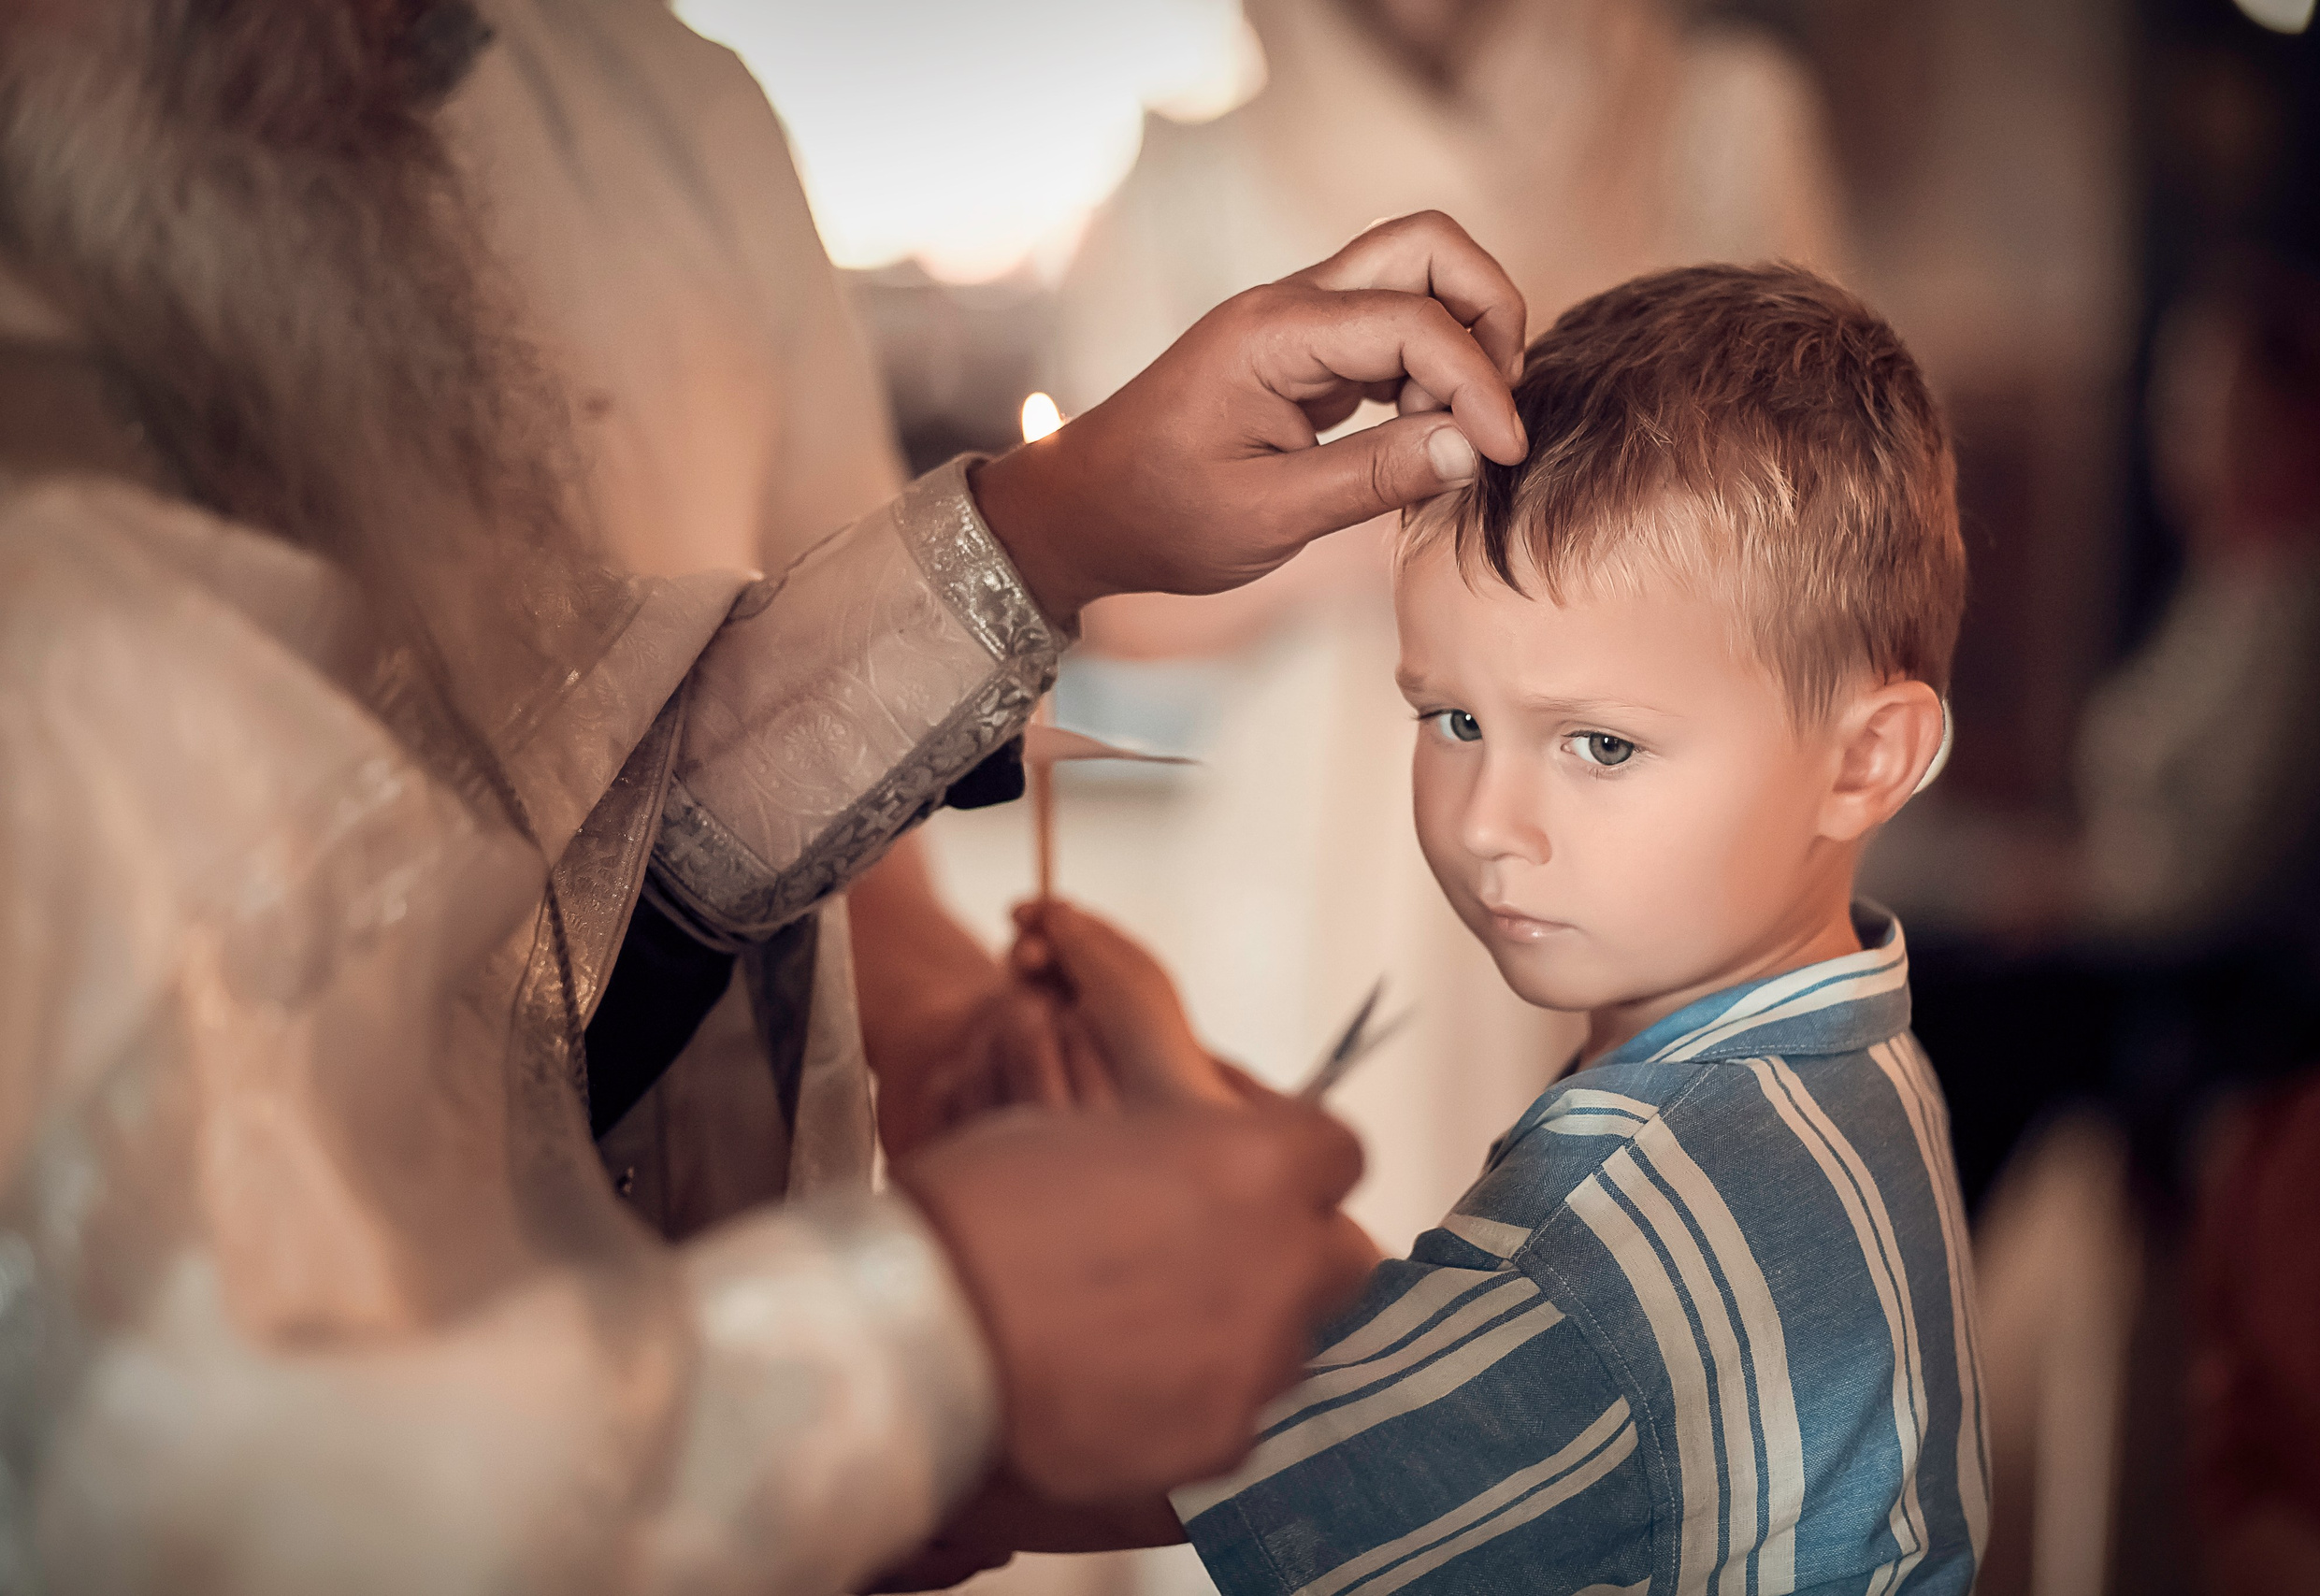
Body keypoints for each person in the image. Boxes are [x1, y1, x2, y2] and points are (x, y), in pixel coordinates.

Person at [0, 2, 1534, 1590]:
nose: (446, 41)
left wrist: (1049, 533)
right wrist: (943, 1337)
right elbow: (199, 1488)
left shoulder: (660, 113)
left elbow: (529, 881)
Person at [937, 265, 1988, 1593]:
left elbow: (1158, 1451)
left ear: (1863, 762)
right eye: (1453, 721)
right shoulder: (1828, 1072)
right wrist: (1175, 1081)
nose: (1491, 820)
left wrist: (901, 1449)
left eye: (1601, 745)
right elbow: (1442, 1353)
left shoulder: (1626, 1215)